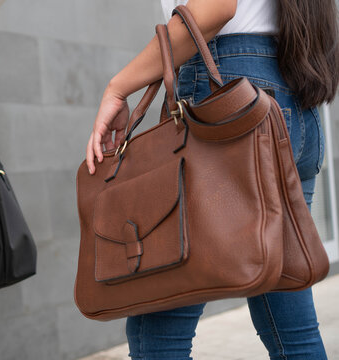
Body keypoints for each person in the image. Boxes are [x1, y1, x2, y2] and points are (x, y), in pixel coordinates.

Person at [86, 0, 339, 359]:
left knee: (159, 332)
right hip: (289, 96)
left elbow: (212, 10)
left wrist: (118, 86)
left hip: (226, 97)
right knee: (292, 335)